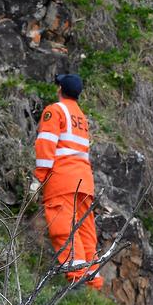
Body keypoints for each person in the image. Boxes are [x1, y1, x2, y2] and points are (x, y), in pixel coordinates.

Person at [34, 73, 103, 289]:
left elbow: (46, 145)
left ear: (60, 89)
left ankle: (76, 279)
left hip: (62, 180)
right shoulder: (81, 117)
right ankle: (93, 281)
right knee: (85, 230)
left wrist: (39, 179)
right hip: (84, 180)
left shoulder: (55, 110)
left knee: (63, 228)